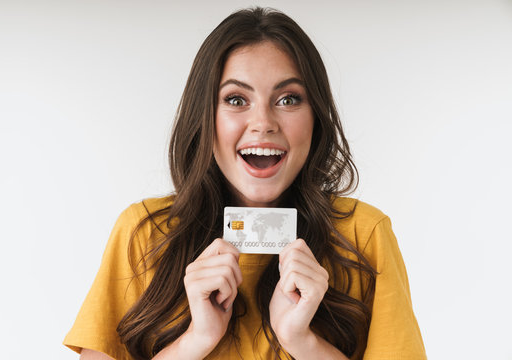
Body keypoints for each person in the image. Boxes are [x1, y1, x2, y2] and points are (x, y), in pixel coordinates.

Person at [64, 7, 426, 360]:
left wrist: (302, 341)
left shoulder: (364, 235)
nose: (263, 122)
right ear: (204, 115)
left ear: (315, 117)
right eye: (236, 99)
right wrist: (195, 340)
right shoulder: (143, 233)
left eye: (288, 99)